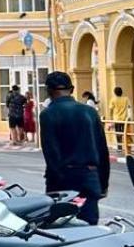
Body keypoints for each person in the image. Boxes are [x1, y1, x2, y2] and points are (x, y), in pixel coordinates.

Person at [39, 71, 108, 225]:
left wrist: (57, 181)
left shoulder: (48, 114)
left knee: (61, 229)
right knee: (89, 227)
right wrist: (102, 184)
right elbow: (102, 150)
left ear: (49, 91)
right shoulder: (89, 112)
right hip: (89, 177)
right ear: (72, 89)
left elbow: (51, 153)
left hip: (62, 180)